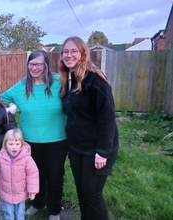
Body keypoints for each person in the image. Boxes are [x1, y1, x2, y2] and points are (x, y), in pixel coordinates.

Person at [0, 49, 68, 220]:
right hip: (29, 141)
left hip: (57, 140)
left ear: (46, 65)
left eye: (38, 64)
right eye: (31, 64)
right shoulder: (21, 86)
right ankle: (38, 203)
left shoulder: (60, 82)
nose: (34, 67)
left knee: (54, 176)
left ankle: (54, 209)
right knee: (33, 175)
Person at [59, 36, 119, 220]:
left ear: (83, 53)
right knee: (82, 192)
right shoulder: (69, 80)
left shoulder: (95, 81)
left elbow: (107, 118)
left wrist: (103, 151)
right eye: (66, 52)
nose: (69, 55)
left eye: (74, 51)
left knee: (92, 194)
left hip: (97, 150)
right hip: (78, 148)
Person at [0, 128, 39, 220]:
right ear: (5, 144)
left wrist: (32, 190)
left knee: (20, 213)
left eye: (17, 144)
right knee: (8, 213)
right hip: (6, 192)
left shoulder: (26, 159)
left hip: (20, 192)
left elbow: (32, 174)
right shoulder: (0, 157)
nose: (14, 147)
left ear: (22, 145)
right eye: (11, 144)